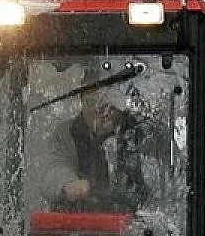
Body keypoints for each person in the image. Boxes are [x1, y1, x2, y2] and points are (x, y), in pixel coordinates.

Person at [41, 83, 147, 212]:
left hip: (135, 223)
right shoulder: (65, 134)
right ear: (82, 101)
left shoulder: (139, 132)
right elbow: (53, 166)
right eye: (93, 102)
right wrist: (67, 183)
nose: (102, 112)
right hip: (79, 224)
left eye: (108, 104)